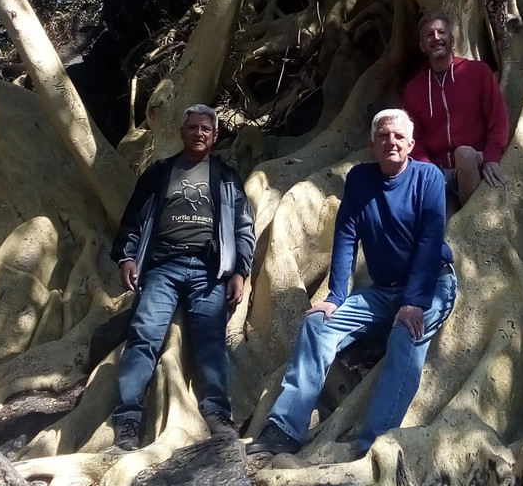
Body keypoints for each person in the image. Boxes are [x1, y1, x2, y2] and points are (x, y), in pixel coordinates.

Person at [245, 108, 456, 457]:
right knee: (317, 323)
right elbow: (346, 234)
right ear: (372, 143)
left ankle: (371, 446)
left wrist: (415, 301)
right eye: (384, 136)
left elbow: (430, 240)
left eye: (399, 137)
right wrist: (336, 296)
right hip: (383, 291)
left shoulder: (428, 178)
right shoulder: (360, 179)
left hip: (431, 285)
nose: (391, 142)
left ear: (411, 144)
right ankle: (284, 427)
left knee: (405, 336)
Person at [109, 104, 256, 451]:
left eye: (206, 128)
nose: (199, 133)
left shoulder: (226, 176)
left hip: (209, 269)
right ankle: (128, 418)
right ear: (183, 131)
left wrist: (240, 271)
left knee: (210, 340)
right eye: (193, 127)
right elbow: (132, 220)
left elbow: (243, 227)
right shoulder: (159, 172)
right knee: (144, 334)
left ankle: (218, 414)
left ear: (215, 135)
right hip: (163, 266)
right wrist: (126, 258)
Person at [402, 13, 510, 205]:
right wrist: (425, 166)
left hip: (473, 161)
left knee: (464, 155)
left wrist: (492, 156)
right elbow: (413, 136)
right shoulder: (414, 89)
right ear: (422, 45)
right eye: (429, 35)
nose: (436, 38)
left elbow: (498, 117)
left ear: (451, 40)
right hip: (437, 168)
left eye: (441, 32)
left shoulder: (478, 72)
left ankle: (469, 217)